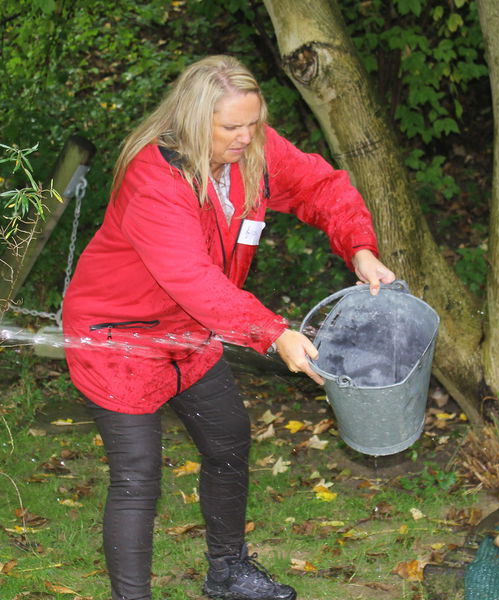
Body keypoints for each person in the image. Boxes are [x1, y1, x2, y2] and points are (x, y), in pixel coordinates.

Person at [61, 55, 395, 600]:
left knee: (227, 442)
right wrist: (273, 332)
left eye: (253, 123)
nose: (246, 137)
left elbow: (320, 186)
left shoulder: (253, 150)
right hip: (117, 336)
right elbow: (191, 278)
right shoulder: (156, 176)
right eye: (231, 127)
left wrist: (358, 247)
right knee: (137, 475)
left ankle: (228, 573)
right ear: (195, 121)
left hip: (191, 330)